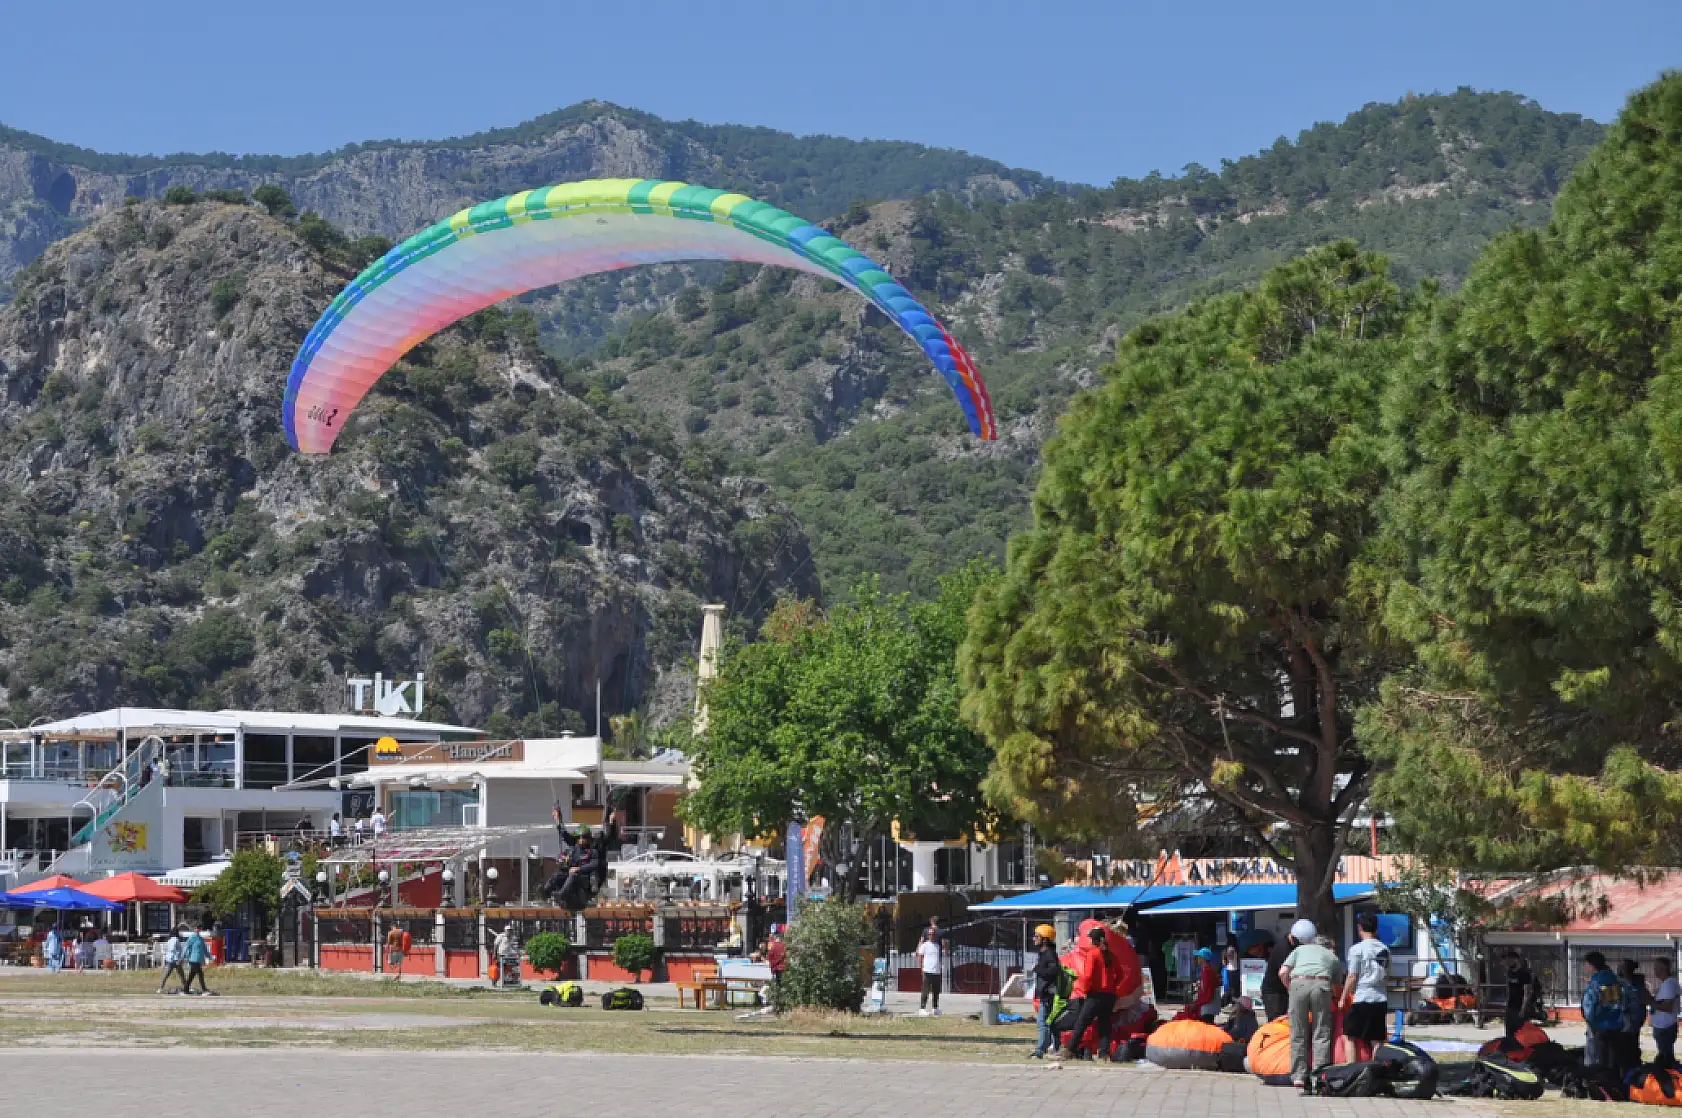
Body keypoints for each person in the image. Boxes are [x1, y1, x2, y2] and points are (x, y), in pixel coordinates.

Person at [1277, 918, 1345, 1092]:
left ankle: (1298, 1076)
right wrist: (1336, 999)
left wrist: (1290, 987)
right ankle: (1319, 1074)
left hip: (1298, 983)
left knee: (1297, 1031)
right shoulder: (1331, 956)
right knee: (1321, 1031)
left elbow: (1283, 972)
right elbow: (1337, 987)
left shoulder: (1299, 951)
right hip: (1321, 985)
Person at [1059, 926, 1116, 1062]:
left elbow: (1088, 976)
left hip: (1095, 994)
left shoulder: (1093, 954)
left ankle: (1070, 1050)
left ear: (1093, 940)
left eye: (1090, 938)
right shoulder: (1110, 955)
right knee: (1105, 1025)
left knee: (1081, 1023)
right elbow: (1119, 974)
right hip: (1110, 995)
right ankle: (1104, 1054)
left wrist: (1084, 991)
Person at [1341, 913, 1391, 1062]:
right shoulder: (1385, 949)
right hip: (1380, 996)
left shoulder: (1357, 949)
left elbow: (1352, 976)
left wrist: (1343, 997)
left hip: (1363, 996)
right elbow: (1388, 974)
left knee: (1350, 1035)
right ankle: (1376, 1070)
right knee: (1377, 1039)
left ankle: (1352, 1069)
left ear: (1359, 928)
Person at [1581, 951, 1626, 1070]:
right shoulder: (1613, 979)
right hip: (1616, 1023)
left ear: (1591, 965)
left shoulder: (1597, 981)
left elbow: (1593, 1003)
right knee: (1614, 1059)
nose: (1585, 967)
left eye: (1586, 964)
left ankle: (1601, 1083)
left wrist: (1589, 1018)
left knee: (1600, 1059)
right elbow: (1615, 1002)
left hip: (1600, 1025)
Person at [1030, 924, 1062, 1059]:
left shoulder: (1049, 954)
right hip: (1046, 993)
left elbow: (1053, 971)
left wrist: (1037, 969)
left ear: (1045, 939)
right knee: (1052, 1022)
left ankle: (1040, 1050)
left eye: (1037, 936)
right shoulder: (1045, 953)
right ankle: (1056, 1048)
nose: (1033, 939)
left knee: (1043, 1022)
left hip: (1049, 994)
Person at [1618, 959, 1650, 1074]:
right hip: (1634, 1022)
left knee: (1627, 1052)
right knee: (1632, 1049)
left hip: (1627, 1023)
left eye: (1621, 967)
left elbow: (1617, 1003)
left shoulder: (1627, 984)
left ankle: (1629, 1074)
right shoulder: (1637, 982)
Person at [1650, 957, 1678, 1069]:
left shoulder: (1669, 984)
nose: (1654, 970)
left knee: (1665, 1059)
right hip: (1663, 1026)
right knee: (1665, 1055)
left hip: (1665, 1026)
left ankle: (1669, 1079)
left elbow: (1667, 1007)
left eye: (1656, 967)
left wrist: (1649, 1002)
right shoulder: (1666, 983)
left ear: (1664, 968)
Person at [1502, 951, 1535, 1038]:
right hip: (1510, 1006)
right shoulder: (1509, 972)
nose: (1507, 962)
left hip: (1520, 1007)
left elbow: (1527, 992)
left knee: (1520, 1032)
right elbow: (1508, 989)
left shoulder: (1524, 973)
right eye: (1506, 960)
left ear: (1516, 960)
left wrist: (1523, 1009)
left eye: (1509, 959)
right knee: (1509, 1032)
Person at [1262, 934, 1292, 1023]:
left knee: (1282, 1021)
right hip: (1273, 993)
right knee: (1276, 1022)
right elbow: (1283, 973)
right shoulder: (1283, 949)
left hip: (1280, 991)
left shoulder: (1288, 946)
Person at [1187, 946, 1220, 1021]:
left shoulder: (1207, 972)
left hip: (1207, 1007)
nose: (1197, 958)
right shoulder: (1207, 969)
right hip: (1208, 1006)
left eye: (1199, 956)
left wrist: (1196, 1004)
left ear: (1203, 958)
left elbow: (1208, 994)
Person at [917, 926, 943, 1016]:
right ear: (928, 935)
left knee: (936, 991)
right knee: (925, 990)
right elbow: (920, 957)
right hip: (927, 971)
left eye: (933, 934)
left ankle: (935, 1008)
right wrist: (921, 968)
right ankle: (922, 1008)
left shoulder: (937, 946)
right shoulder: (925, 945)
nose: (931, 935)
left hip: (936, 971)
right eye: (930, 934)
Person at [181, 924, 212, 995]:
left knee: (191, 976)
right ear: (194, 929)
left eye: (199, 928)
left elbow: (205, 950)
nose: (198, 929)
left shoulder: (201, 939)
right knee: (200, 974)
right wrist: (182, 957)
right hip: (193, 959)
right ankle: (204, 990)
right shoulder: (192, 937)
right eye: (196, 928)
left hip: (199, 960)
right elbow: (186, 947)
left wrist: (210, 957)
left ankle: (185, 990)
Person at [158, 929, 186, 994]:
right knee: (181, 975)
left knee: (166, 975)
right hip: (175, 960)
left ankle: (160, 988)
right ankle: (186, 987)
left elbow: (169, 950)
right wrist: (178, 959)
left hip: (169, 959)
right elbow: (175, 950)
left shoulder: (169, 940)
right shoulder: (176, 940)